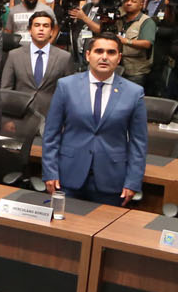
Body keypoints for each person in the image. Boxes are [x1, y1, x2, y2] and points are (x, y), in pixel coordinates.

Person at [43, 33, 148, 205]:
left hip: (112, 179)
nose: (104, 57)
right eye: (99, 51)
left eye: (111, 52)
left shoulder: (134, 92)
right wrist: (50, 172)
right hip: (67, 176)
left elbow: (139, 142)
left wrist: (133, 181)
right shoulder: (66, 86)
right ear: (88, 55)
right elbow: (51, 134)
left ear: (119, 58)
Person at [0, 10, 71, 114]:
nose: (41, 29)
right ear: (30, 30)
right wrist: (8, 118)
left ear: (51, 31)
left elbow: (68, 92)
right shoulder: (14, 55)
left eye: (45, 26)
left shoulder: (64, 57)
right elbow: (6, 90)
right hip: (21, 115)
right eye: (37, 25)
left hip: (52, 114)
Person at [116, 0, 157, 86]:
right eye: (127, 1)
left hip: (136, 71)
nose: (129, 3)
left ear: (141, 5)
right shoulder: (119, 19)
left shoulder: (146, 21)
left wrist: (126, 41)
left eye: (133, 1)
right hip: (118, 67)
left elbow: (147, 43)